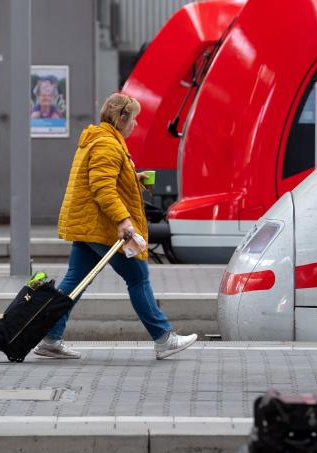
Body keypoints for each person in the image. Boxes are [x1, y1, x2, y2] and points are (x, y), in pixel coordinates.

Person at [33, 93, 197, 359]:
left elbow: (103, 178)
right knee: (137, 277)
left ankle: (50, 338)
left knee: (75, 281)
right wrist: (123, 220)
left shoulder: (100, 139)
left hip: (88, 225)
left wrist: (134, 178)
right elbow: (103, 188)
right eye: (133, 119)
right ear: (121, 118)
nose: (135, 125)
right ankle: (163, 338)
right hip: (101, 227)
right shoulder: (107, 145)